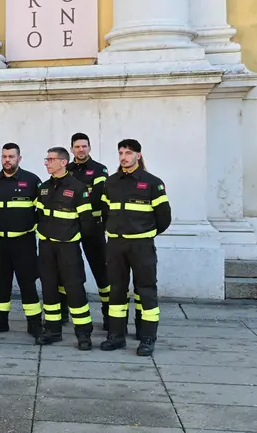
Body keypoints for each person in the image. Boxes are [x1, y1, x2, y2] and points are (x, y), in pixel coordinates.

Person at [100, 139, 171, 357]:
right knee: (116, 290)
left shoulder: (152, 183)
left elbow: (164, 218)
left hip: (141, 245)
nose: (123, 156)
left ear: (138, 156)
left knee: (146, 290)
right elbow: (104, 213)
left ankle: (148, 337)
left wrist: (145, 233)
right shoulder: (110, 183)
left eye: (128, 153)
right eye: (121, 152)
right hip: (116, 245)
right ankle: (116, 336)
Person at [35, 147, 96, 350]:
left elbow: (87, 221)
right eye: (46, 159)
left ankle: (83, 333)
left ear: (63, 162)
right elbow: (39, 216)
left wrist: (73, 237)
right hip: (46, 246)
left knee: (74, 288)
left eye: (51, 159)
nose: (47, 163)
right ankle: (52, 330)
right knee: (49, 287)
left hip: (68, 247)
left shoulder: (78, 188)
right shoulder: (43, 187)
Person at [0, 143, 43, 337]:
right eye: (4, 156)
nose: (7, 160)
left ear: (19, 159)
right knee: (0, 282)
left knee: (27, 283)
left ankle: (34, 324)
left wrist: (25, 225)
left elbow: (40, 211)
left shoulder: (32, 181)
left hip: (23, 241)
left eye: (11, 157)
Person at [66, 133, 110, 329]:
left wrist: (73, 200)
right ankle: (61, 313)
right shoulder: (66, 169)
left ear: (89, 148)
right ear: (72, 149)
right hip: (69, 227)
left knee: (101, 270)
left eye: (84, 146)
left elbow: (97, 197)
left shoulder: (99, 170)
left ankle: (109, 314)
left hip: (93, 227)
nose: (81, 150)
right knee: (65, 270)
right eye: (77, 147)